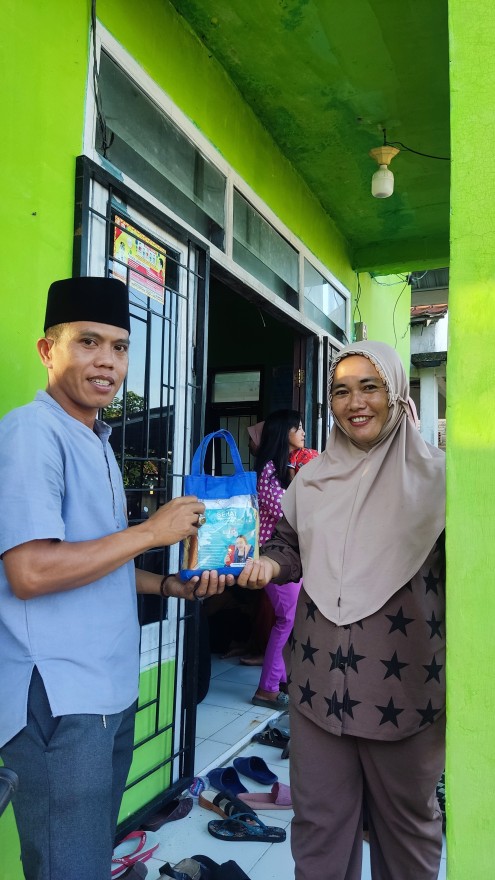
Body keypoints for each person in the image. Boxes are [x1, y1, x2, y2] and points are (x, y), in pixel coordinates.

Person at [0, 276, 231, 880]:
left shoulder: (97, 440)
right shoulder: (31, 432)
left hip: (107, 690)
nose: (107, 361)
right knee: (68, 867)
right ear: (48, 350)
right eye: (88, 342)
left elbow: (93, 561)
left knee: (87, 856)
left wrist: (167, 586)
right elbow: (30, 572)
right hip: (59, 697)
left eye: (120, 347)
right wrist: (151, 533)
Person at [238, 341, 445, 880]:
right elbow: (288, 546)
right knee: (318, 829)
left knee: (407, 834)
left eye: (370, 387)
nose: (355, 402)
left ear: (395, 394)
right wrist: (268, 564)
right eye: (341, 391)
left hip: (404, 692)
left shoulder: (442, 481)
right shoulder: (312, 481)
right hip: (316, 687)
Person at [249, 409, 305, 710]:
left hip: (288, 557)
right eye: (298, 427)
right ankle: (267, 689)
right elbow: (287, 511)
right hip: (272, 556)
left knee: (291, 619)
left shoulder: (286, 467)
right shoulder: (270, 471)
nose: (303, 432)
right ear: (284, 433)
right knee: (287, 619)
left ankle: (281, 681)